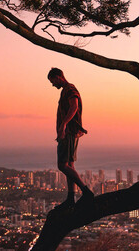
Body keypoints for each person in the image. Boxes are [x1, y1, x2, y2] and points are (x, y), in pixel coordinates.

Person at [47, 67, 94, 208]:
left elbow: (74, 106)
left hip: (69, 133)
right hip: (70, 132)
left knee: (62, 165)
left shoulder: (69, 89)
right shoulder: (66, 90)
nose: (52, 85)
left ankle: (86, 191)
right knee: (70, 165)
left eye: (52, 81)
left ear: (58, 77)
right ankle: (71, 198)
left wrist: (63, 125)